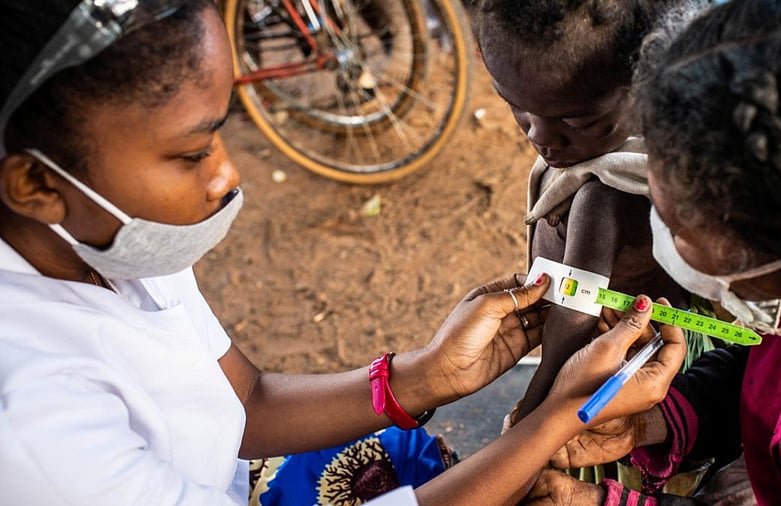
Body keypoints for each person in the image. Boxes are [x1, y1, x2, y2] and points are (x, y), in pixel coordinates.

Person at [0, 1, 687, 504]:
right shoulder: (28, 421)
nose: (227, 175)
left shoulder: (107, 239)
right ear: (34, 183)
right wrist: (552, 423)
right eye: (193, 151)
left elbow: (243, 400)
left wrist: (420, 378)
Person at [525, 0, 781, 504]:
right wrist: (655, 423)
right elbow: (765, 377)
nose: (656, 231)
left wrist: (605, 501)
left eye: (675, 224)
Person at [468, 0, 719, 493]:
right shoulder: (587, 152)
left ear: (645, 88)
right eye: (514, 105)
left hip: (625, 373)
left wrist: (534, 412)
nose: (541, 137)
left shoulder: (608, 190)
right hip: (593, 364)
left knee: (595, 481)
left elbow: (573, 310)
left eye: (577, 122)